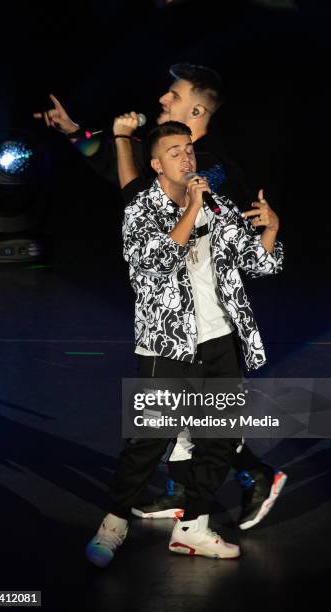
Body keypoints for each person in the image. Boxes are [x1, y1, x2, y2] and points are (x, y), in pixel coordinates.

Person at [33, 64, 287, 529]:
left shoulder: (207, 165)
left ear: (195, 109)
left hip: (205, 315)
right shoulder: (172, 154)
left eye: (172, 95)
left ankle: (254, 475)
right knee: (179, 419)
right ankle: (183, 494)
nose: (162, 99)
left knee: (194, 418)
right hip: (176, 315)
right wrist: (78, 134)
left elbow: (138, 195)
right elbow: (121, 175)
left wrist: (123, 140)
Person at [85, 120, 283, 567]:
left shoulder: (216, 205)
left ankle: (193, 525)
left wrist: (271, 229)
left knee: (221, 437)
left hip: (219, 341)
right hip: (166, 347)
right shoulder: (142, 209)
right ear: (155, 164)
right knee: (149, 440)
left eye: (189, 149)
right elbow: (152, 262)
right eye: (175, 152)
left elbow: (259, 263)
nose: (187, 157)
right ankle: (113, 524)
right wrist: (191, 210)